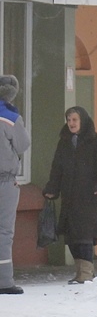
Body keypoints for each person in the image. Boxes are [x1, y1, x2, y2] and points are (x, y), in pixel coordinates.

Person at [42, 106, 97, 285]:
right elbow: (56, 168)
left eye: (74, 120)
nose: (71, 123)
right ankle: (80, 272)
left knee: (85, 235)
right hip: (70, 196)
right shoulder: (64, 142)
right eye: (68, 120)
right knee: (72, 236)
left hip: (89, 196)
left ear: (82, 120)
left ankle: (86, 273)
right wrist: (52, 188)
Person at [0, 74, 31, 295]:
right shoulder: (10, 116)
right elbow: (23, 144)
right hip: (4, 180)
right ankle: (4, 281)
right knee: (3, 231)